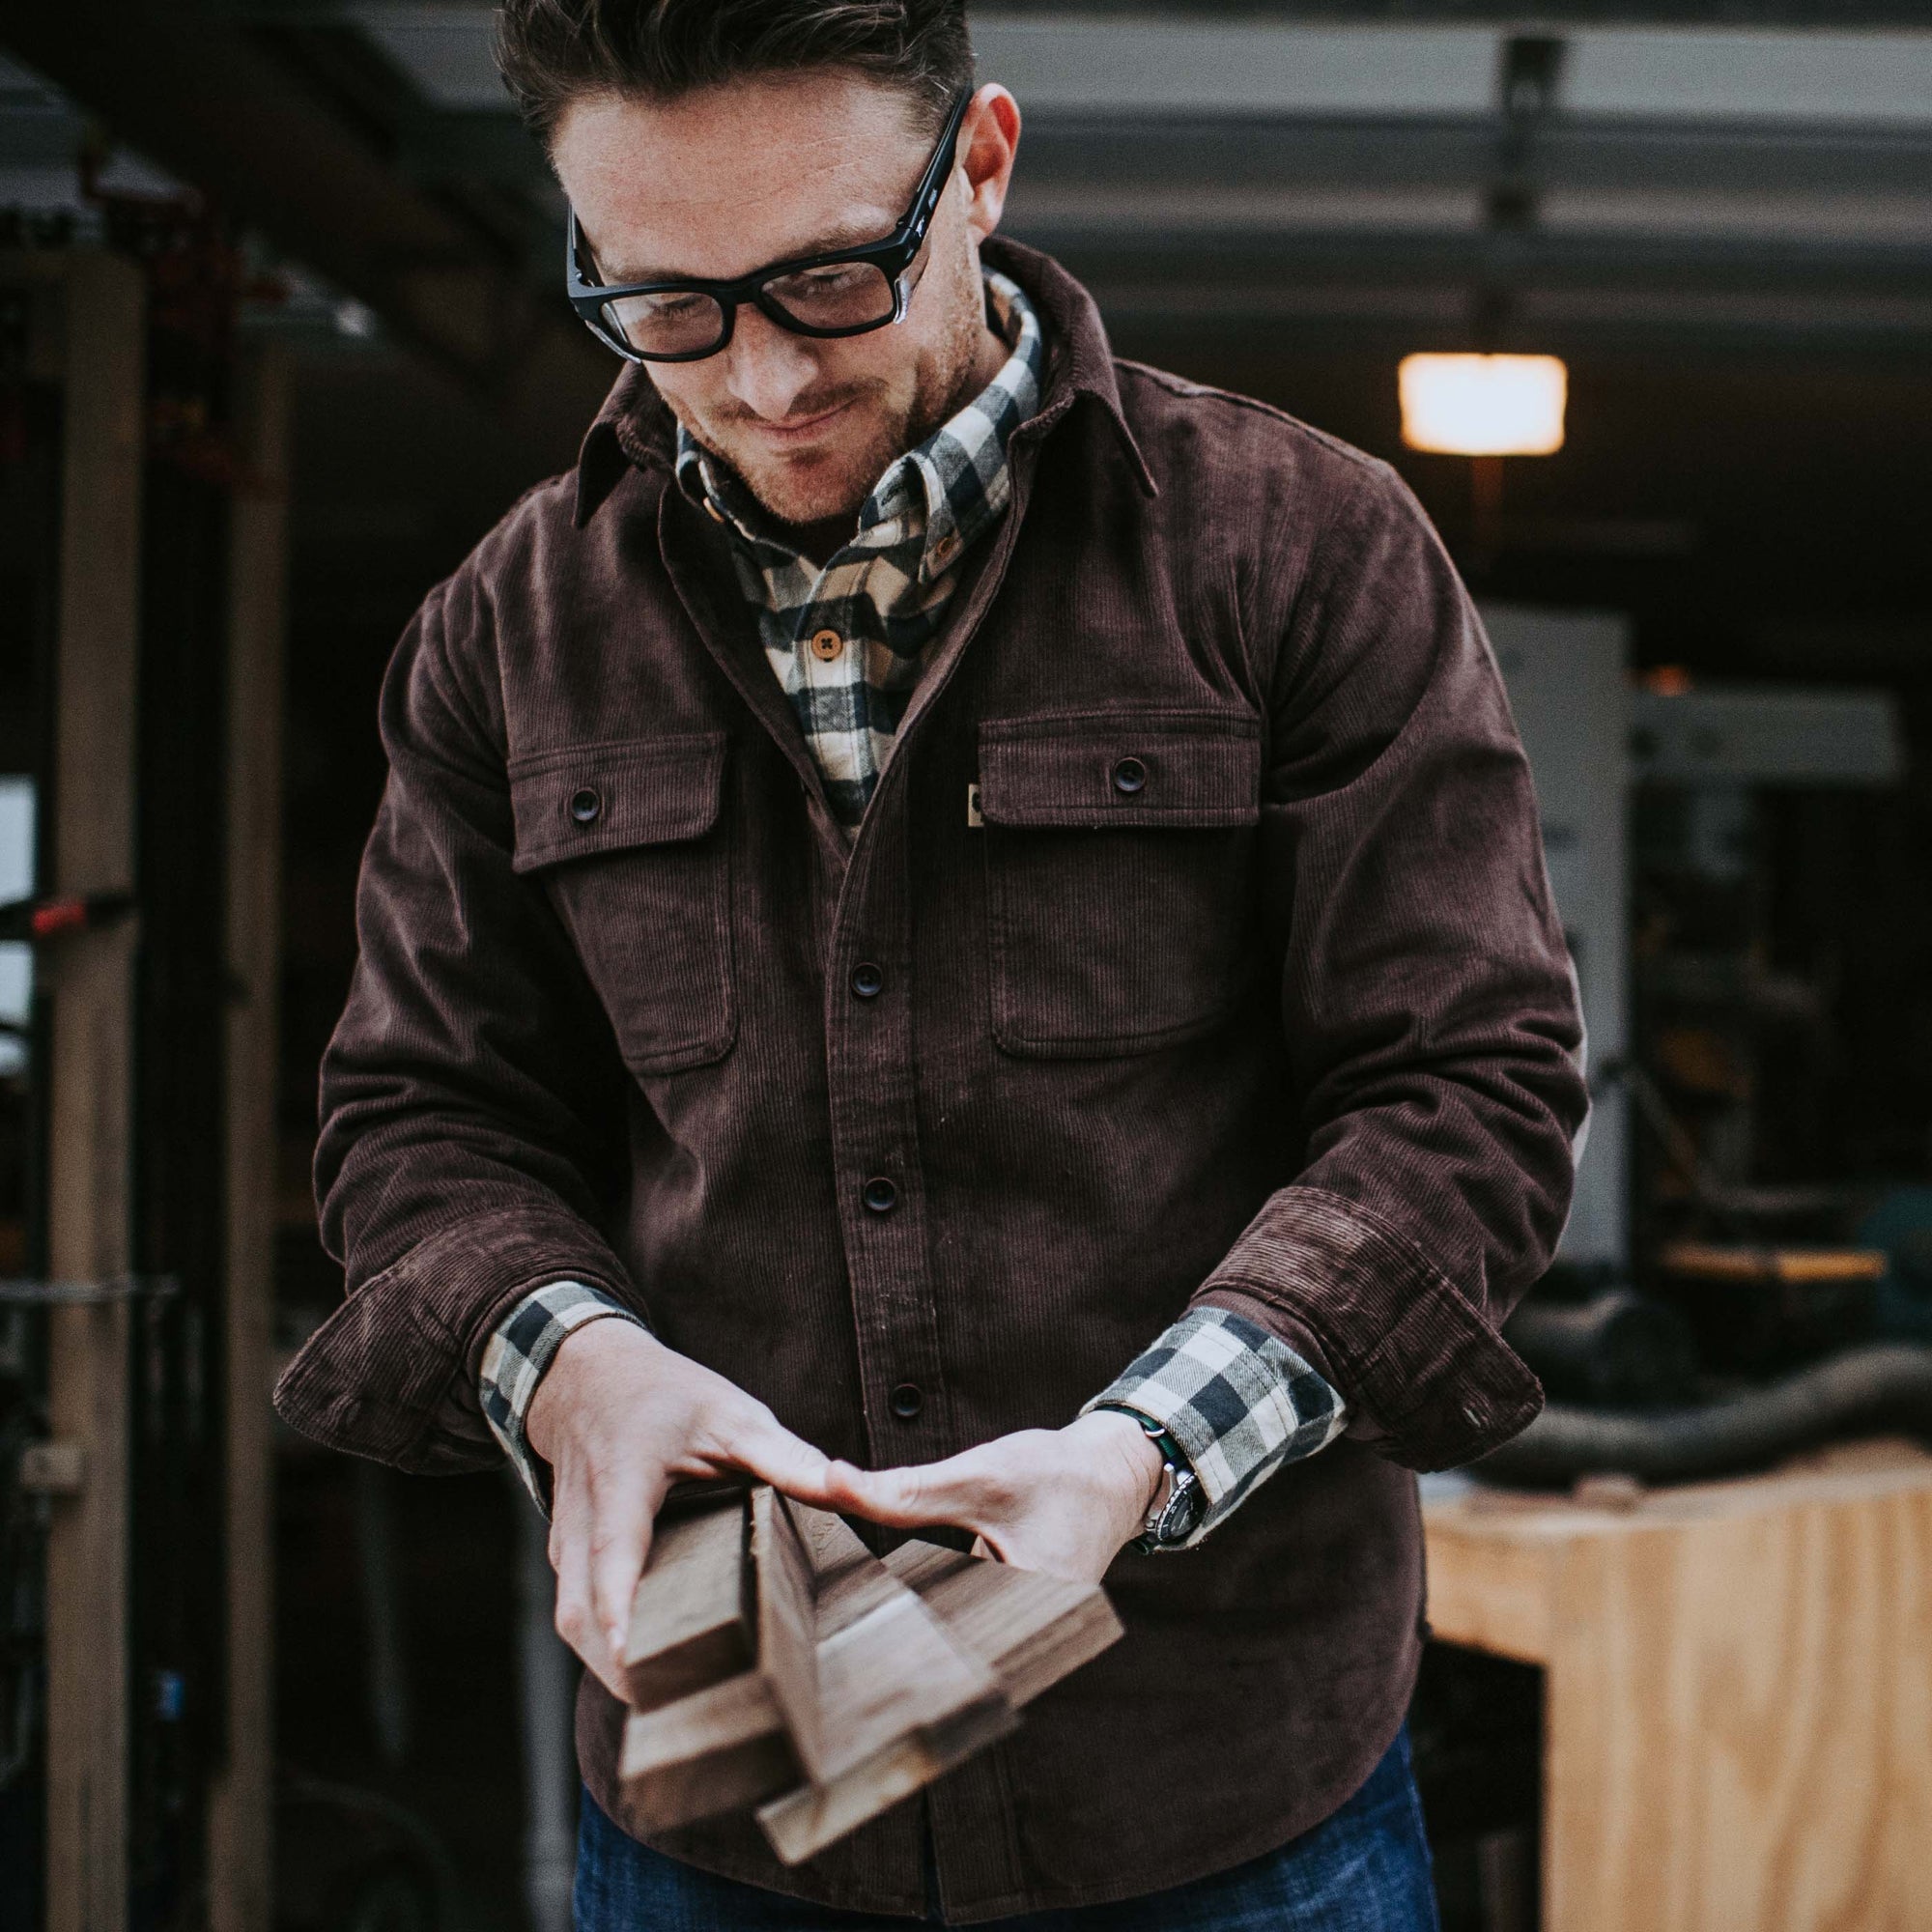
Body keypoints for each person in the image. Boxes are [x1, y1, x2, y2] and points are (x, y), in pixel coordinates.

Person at [274, 1, 1589, 1924]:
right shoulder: (506, 637)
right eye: (664, 305)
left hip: (1222, 1798)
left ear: (976, 164)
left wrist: (1142, 1454)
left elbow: (1464, 1091)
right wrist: (576, 1367)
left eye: (824, 278)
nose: (761, 378)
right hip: (722, 1789)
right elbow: (419, 1117)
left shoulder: (1301, 557)